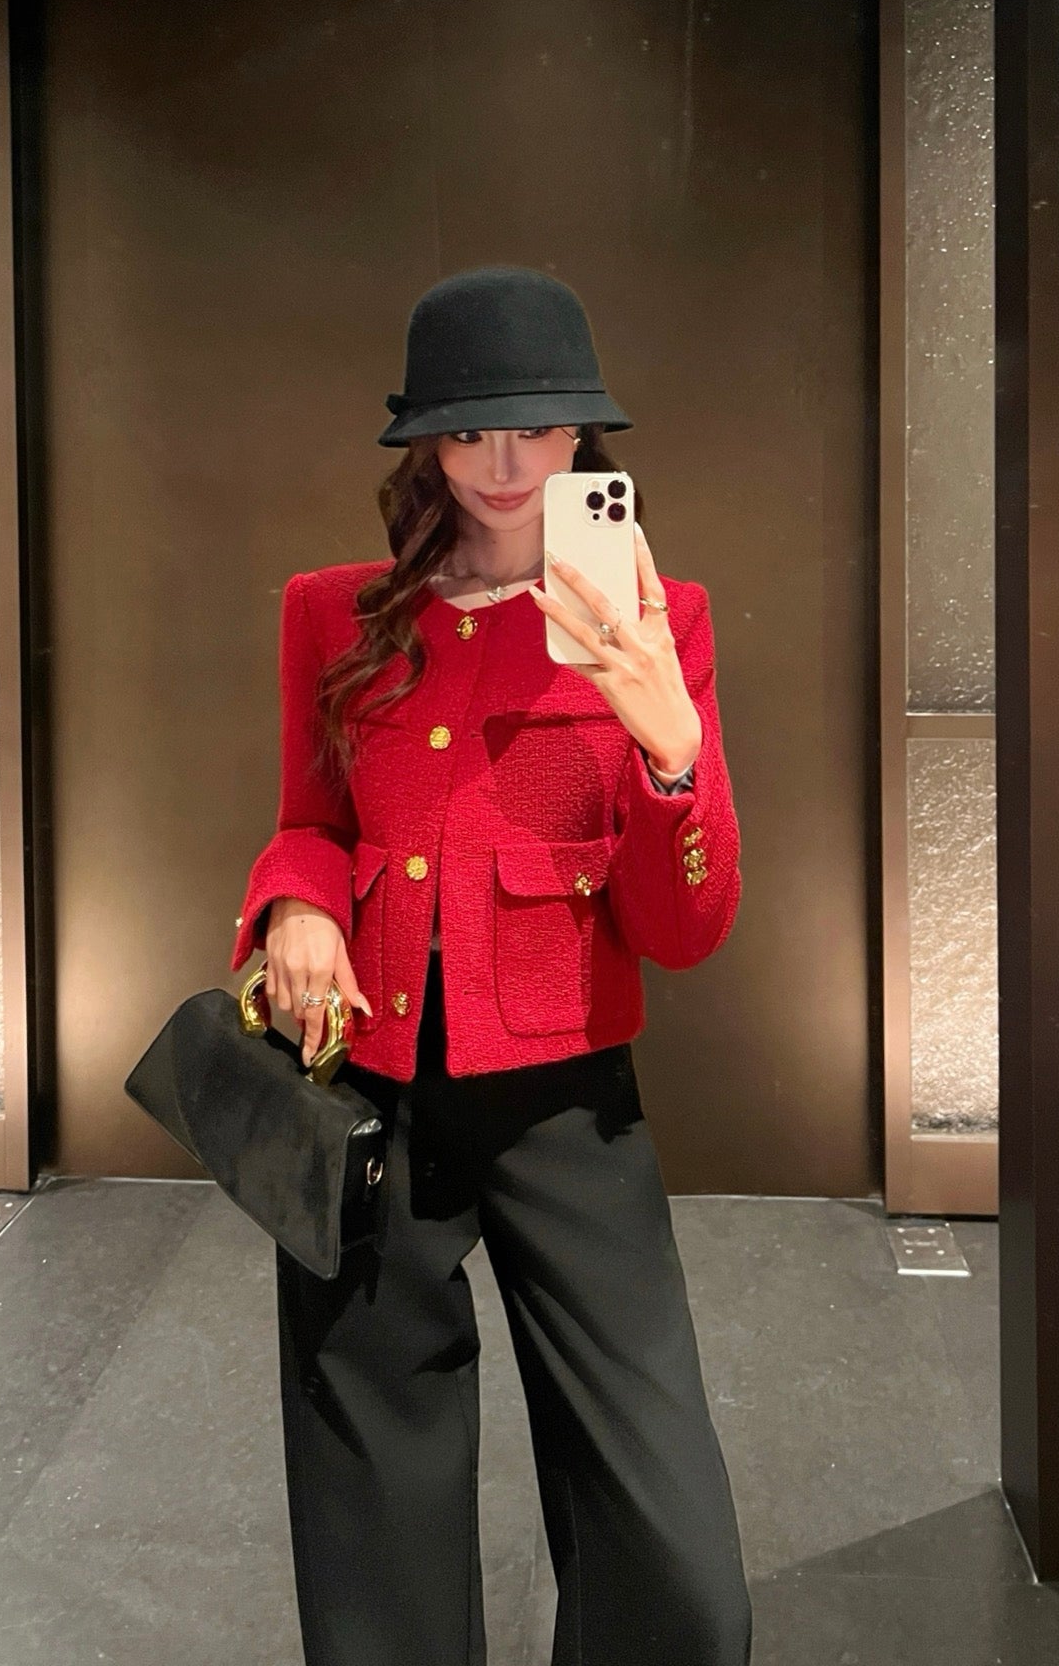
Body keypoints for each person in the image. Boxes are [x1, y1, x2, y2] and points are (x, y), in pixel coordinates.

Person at [230, 266, 752, 1666]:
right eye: (469, 433)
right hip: (365, 1098)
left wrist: (670, 748)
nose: (507, 466)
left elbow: (687, 929)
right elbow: (308, 825)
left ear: (585, 437)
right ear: (427, 444)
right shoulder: (336, 614)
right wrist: (294, 908)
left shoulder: (656, 620)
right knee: (373, 1520)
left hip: (568, 1101)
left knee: (675, 1557)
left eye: (536, 430)